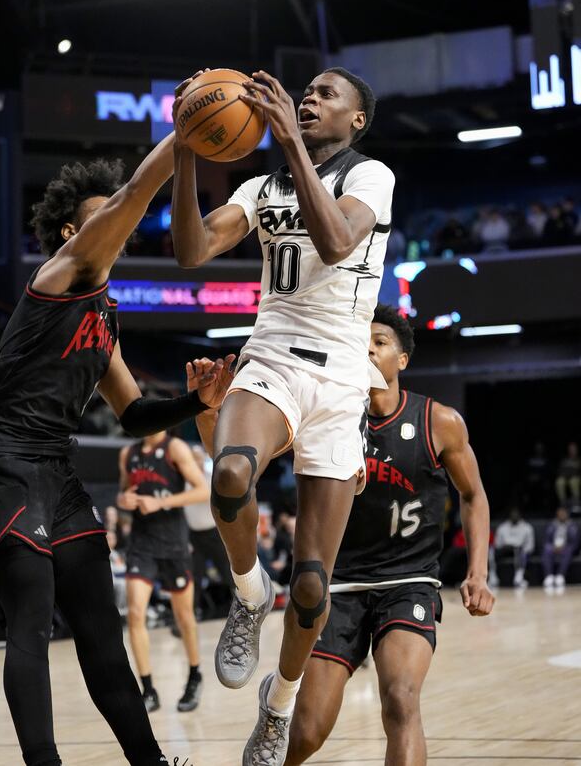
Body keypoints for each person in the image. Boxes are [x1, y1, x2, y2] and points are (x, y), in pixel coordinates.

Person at [0, 132, 234, 766]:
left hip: (55, 469)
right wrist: (186, 133)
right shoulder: (60, 274)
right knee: (31, 618)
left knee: (100, 631)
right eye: (103, 221)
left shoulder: (105, 316)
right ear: (71, 232)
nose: (119, 229)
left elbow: (133, 415)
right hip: (0, 458)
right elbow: (132, 196)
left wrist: (194, 404)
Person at [172, 66, 395, 764]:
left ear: (357, 119)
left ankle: (278, 706)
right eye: (308, 90)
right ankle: (246, 594)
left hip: (339, 381)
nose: (309, 97)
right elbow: (191, 250)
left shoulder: (370, 176)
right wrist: (184, 149)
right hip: (270, 355)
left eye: (328, 93)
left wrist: (290, 148)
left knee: (311, 586)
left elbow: (335, 242)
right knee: (232, 474)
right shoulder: (258, 188)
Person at [285, 305, 494, 766]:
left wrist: (478, 573)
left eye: (379, 342)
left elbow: (474, 496)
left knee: (401, 698)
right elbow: (247, 455)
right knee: (306, 733)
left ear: (402, 359)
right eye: (360, 342)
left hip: (408, 581)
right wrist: (210, 414)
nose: (368, 349)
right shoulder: (328, 419)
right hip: (339, 583)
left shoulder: (438, 422)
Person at [118, 429, 210, 713]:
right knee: (135, 613)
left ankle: (195, 675)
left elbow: (203, 490)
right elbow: (123, 493)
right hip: (141, 543)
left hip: (173, 542)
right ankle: (148, 689)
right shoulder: (128, 454)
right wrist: (122, 501)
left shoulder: (176, 448)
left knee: (183, 618)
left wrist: (161, 502)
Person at [184, 444, 234, 614]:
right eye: (192, 458)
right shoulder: (184, 482)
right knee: (194, 575)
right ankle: (191, 612)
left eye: (198, 457)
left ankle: (243, 608)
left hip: (214, 533)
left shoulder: (210, 477)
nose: (195, 461)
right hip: (194, 536)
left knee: (228, 572)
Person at [492, 508, 535, 588]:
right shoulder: (502, 527)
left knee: (520, 552)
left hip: (519, 550)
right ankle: (492, 576)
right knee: (491, 552)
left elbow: (530, 545)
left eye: (516, 514)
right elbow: (497, 544)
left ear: (520, 515)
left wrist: (524, 550)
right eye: (512, 514)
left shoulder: (527, 527)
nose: (514, 516)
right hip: (505, 549)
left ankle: (519, 576)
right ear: (509, 516)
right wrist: (504, 546)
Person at [542, 507, 579, 589]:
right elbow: (546, 539)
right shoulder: (552, 524)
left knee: (568, 549)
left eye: (563, 514)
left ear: (567, 514)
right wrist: (554, 547)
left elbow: (575, 541)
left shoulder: (572, 525)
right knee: (546, 548)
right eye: (560, 514)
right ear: (557, 515)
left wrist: (563, 547)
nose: (562, 515)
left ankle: (560, 576)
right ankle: (549, 576)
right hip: (553, 547)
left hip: (567, 547)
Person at [555, 442, 581, 506]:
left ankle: (576, 501)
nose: (572, 451)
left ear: (577, 450)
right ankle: (562, 502)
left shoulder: (579, 460)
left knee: (573, 481)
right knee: (559, 481)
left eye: (574, 449)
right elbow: (560, 470)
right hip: (565, 477)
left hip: (576, 478)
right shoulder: (565, 460)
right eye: (571, 449)